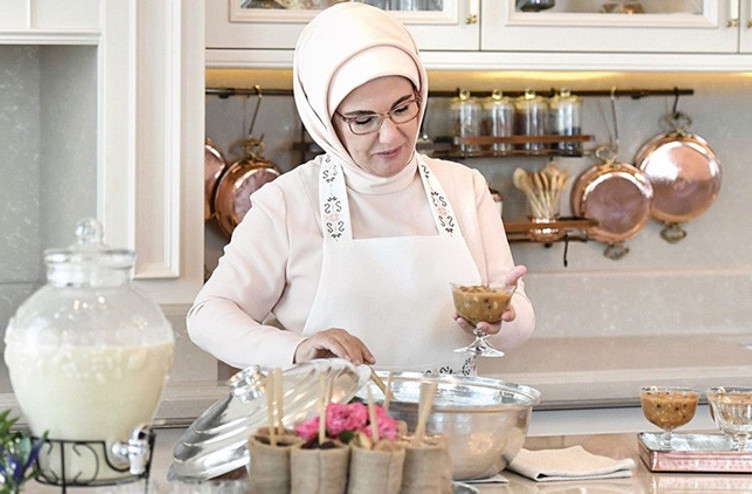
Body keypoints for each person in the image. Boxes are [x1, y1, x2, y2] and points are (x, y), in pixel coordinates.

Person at [187, 2, 534, 376]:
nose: (391, 135)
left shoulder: (465, 187)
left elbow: (520, 320)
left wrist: (502, 318)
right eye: (363, 120)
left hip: (447, 425)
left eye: (403, 108)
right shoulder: (287, 201)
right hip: (331, 431)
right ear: (325, 121)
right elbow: (208, 316)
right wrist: (298, 349)